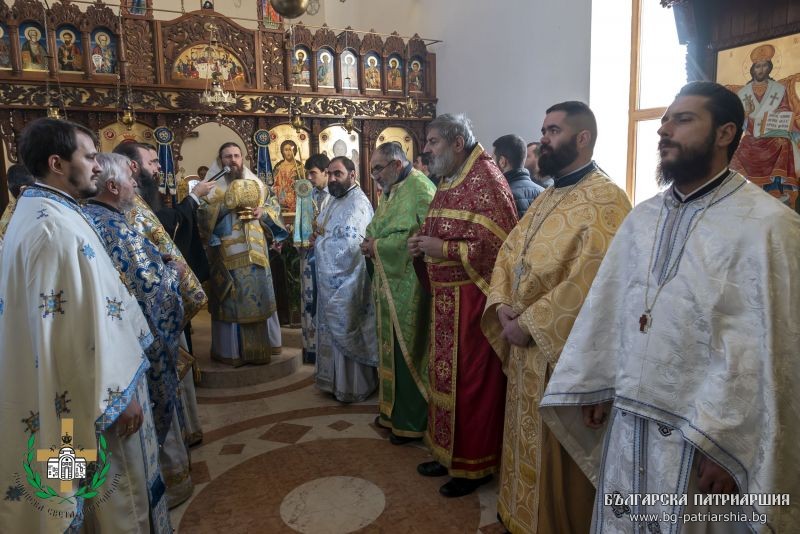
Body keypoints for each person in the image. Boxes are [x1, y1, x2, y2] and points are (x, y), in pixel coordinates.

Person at [540, 81, 800, 532]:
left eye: (683, 120)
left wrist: (729, 444)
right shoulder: (642, 218)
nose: (663, 130)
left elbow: (771, 352)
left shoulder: (769, 227)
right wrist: (598, 382)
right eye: (664, 120)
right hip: (628, 420)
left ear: (724, 133)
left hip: (700, 440)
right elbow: (612, 308)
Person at [0, 118, 171, 532]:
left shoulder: (43, 210)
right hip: (96, 399)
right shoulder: (53, 228)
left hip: (72, 393)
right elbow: (72, 329)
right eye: (90, 156)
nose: (99, 166)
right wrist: (119, 395)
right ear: (58, 163)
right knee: (119, 501)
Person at [482, 102, 632, 533]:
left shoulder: (607, 200)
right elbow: (511, 253)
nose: (543, 139)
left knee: (556, 455)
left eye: (553, 131)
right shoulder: (548, 194)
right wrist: (502, 304)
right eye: (543, 130)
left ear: (582, 138)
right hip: (524, 346)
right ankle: (519, 516)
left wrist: (528, 323)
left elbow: (595, 281)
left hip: (561, 354)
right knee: (525, 445)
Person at [407, 113, 517, 497]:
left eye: (433, 141)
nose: (426, 149)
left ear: (457, 142)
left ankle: (473, 466)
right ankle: (445, 452)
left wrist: (444, 249)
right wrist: (421, 245)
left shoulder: (487, 179)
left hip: (473, 302)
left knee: (471, 384)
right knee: (444, 379)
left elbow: (502, 248)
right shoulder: (450, 178)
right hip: (444, 303)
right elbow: (439, 229)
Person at [84, 153, 194, 511]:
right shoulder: (112, 224)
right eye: (130, 180)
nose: (135, 185)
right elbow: (150, 291)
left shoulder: (82, 218)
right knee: (127, 456)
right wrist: (172, 275)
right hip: (122, 363)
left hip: (94, 361)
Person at [114, 142, 208, 458]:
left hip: (153, 312)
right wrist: (173, 275)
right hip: (145, 319)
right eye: (152, 162)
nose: (157, 168)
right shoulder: (124, 210)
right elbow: (142, 276)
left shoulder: (133, 205)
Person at [363, 142, 436, 443]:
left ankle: (411, 420)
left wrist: (376, 247)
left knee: (409, 348)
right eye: (372, 171)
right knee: (389, 347)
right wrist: (369, 240)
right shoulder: (391, 189)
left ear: (395, 164)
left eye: (377, 169)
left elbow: (417, 238)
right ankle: (391, 411)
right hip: (389, 282)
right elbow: (380, 225)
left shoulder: (421, 188)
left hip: (410, 285)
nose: (375, 176)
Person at [198, 142, 286, 366]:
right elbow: (201, 219)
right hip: (227, 254)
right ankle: (232, 352)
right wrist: (227, 205)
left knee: (260, 297)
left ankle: (265, 347)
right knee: (231, 299)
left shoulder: (257, 184)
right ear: (220, 161)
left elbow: (273, 207)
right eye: (228, 157)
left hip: (257, 252)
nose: (233, 160)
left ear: (243, 158)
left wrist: (262, 213)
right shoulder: (211, 188)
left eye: (237, 156)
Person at [312, 156, 378, 402]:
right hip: (332, 281)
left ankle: (353, 385)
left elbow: (349, 246)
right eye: (329, 174)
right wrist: (318, 234)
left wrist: (320, 242)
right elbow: (323, 227)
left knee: (350, 325)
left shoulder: (358, 203)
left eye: (337, 174)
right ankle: (332, 381)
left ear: (352, 174)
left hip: (349, 279)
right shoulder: (334, 199)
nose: (331, 179)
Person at [731, 44, 800, 209]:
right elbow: (738, 122)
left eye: (764, 66)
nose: (761, 70)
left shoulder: (778, 89)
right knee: (740, 148)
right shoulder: (743, 93)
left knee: (783, 143)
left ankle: (777, 190)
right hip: (752, 136)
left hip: (773, 133)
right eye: (757, 66)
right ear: (753, 69)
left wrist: (780, 119)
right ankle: (741, 191)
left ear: (769, 68)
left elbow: (784, 108)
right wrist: (745, 115)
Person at [297, 153, 330, 364]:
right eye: (308, 173)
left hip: (325, 256)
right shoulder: (307, 194)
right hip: (307, 253)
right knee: (308, 299)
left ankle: (323, 347)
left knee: (322, 299)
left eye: (313, 173)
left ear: (326, 172)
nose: (309, 177)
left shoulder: (334, 195)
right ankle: (310, 347)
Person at [493, 134, 543, 218]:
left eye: (492, 158)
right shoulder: (544, 193)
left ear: (502, 161)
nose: (491, 164)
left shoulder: (501, 196)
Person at [272, 140, 305, 212]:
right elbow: (275, 184)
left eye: (290, 150)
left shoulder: (299, 166)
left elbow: (304, 183)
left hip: (296, 198)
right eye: (286, 150)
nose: (288, 152)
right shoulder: (279, 166)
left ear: (295, 151)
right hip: (282, 198)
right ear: (282, 152)